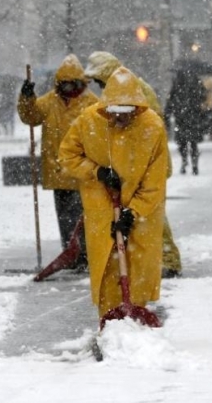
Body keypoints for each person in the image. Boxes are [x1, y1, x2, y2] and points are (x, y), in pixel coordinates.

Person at [58, 67, 168, 319]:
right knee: (108, 264)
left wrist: (133, 212)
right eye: (115, 112)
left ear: (137, 108)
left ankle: (135, 312)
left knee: (139, 263)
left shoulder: (152, 127)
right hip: (102, 205)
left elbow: (155, 181)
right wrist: (96, 171)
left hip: (143, 210)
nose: (120, 118)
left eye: (126, 113)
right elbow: (67, 156)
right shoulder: (89, 121)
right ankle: (109, 316)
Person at [83, 51, 182, 278]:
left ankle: (169, 261)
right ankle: (151, 260)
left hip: (147, 165)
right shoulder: (121, 91)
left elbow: (149, 128)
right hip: (134, 164)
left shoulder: (134, 90)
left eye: (99, 81)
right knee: (139, 214)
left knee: (150, 213)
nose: (99, 86)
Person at [17, 54, 98, 270]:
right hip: (58, 172)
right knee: (65, 218)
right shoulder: (50, 102)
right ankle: (72, 254)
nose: (70, 89)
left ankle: (83, 255)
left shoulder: (92, 104)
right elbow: (31, 117)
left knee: (82, 218)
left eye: (74, 84)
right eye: (66, 84)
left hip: (83, 172)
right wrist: (27, 97)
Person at [165, 70, 212, 175]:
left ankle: (184, 161)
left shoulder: (177, 82)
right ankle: (194, 164)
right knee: (193, 143)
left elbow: (170, 100)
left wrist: (168, 114)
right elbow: (203, 97)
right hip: (193, 117)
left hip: (181, 117)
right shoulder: (196, 82)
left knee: (182, 142)